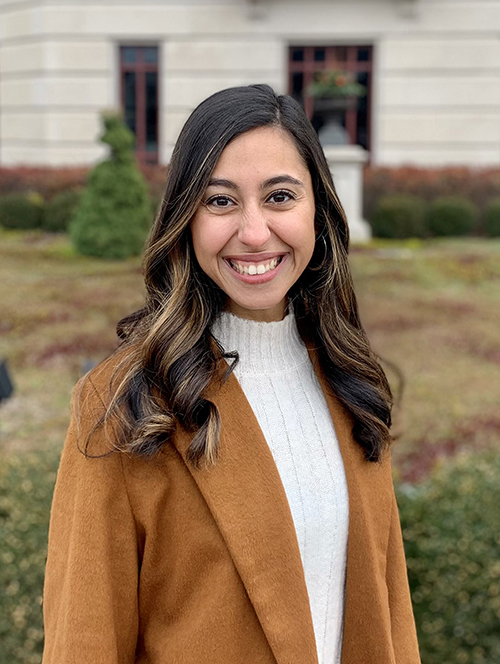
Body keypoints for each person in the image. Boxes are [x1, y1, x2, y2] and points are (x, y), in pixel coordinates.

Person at [42, 84, 421, 664]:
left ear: (317, 210)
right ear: (185, 220)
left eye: (279, 196)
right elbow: (83, 641)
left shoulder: (352, 383)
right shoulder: (124, 403)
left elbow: (390, 620)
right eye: (220, 201)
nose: (253, 232)